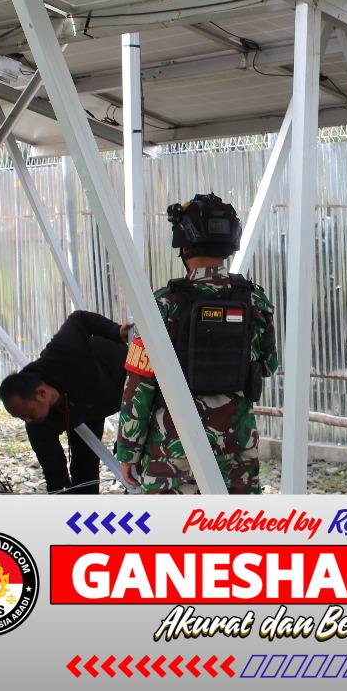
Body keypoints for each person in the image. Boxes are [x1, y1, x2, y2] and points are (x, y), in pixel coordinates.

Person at [114, 193, 278, 494]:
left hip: (174, 452)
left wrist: (128, 451)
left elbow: (139, 387)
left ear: (184, 244)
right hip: (237, 447)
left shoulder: (162, 305)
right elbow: (268, 365)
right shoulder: (255, 300)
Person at [0, 311, 131, 494]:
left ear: (41, 393)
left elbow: (79, 318)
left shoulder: (62, 352)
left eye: (28, 414)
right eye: (21, 418)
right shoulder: (37, 426)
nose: (28, 420)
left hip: (121, 372)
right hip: (86, 410)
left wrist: (115, 331)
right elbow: (54, 474)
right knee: (84, 466)